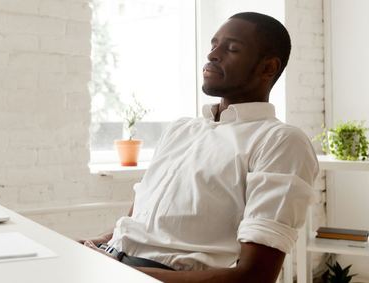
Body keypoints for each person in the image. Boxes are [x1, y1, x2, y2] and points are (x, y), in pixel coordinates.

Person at [78, 12, 319, 283]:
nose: (213, 55)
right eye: (213, 45)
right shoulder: (180, 129)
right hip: (111, 261)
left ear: (268, 68)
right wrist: (92, 244)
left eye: (231, 48)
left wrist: (119, 272)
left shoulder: (280, 141)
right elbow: (139, 223)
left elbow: (255, 277)